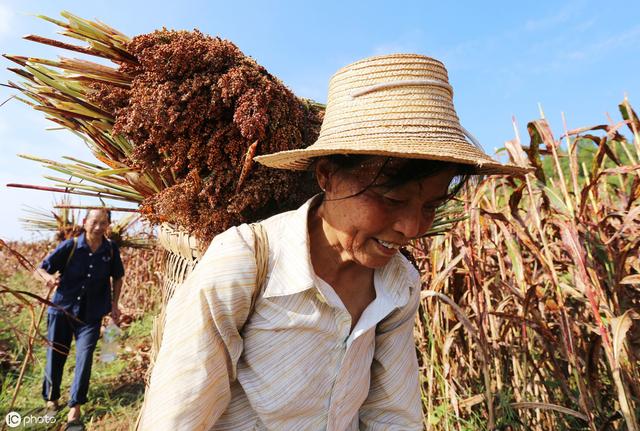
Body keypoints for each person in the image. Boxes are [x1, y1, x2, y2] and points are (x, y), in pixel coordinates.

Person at [138, 54, 527, 430]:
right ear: (327, 176)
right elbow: (178, 415)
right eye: (391, 199)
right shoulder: (245, 262)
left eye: (431, 206)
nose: (411, 227)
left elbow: (393, 412)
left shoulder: (398, 283)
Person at [35, 208, 125, 430]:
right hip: (62, 311)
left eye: (103, 223)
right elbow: (40, 270)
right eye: (94, 222)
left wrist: (114, 304)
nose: (98, 227)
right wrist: (47, 278)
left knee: (84, 358)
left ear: (108, 226)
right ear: (85, 222)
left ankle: (75, 410)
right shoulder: (71, 246)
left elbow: (118, 277)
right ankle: (52, 400)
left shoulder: (110, 250)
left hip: (91, 315)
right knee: (56, 356)